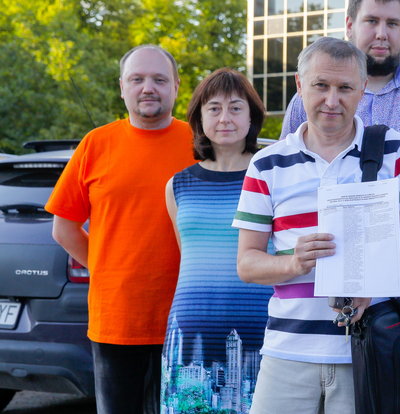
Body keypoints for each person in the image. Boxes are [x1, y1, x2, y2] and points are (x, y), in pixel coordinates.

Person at [233, 37, 400, 413]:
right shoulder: (267, 164)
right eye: (321, 86)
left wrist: (371, 283)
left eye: (344, 88)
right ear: (299, 86)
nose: (332, 100)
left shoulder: (394, 149)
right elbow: (247, 263)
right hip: (287, 351)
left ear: (361, 91)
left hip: (368, 348)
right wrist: (294, 262)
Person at [46, 45, 194, 414]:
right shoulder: (96, 144)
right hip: (117, 320)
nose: (148, 88)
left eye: (159, 79)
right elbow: (63, 228)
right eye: (137, 79)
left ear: (176, 86)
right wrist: (108, 269)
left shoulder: (200, 144)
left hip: (187, 317)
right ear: (122, 87)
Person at [280, 0, 400, 265]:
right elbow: (287, 175)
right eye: (372, 21)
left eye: (392, 23)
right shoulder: (309, 98)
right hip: (324, 271)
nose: (382, 33)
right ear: (350, 25)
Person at [159, 68, 273, 413]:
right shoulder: (177, 185)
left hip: (261, 330)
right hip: (191, 333)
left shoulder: (271, 174)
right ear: (198, 117)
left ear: (252, 116)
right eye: (214, 108)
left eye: (236, 108)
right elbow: (189, 260)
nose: (225, 118)